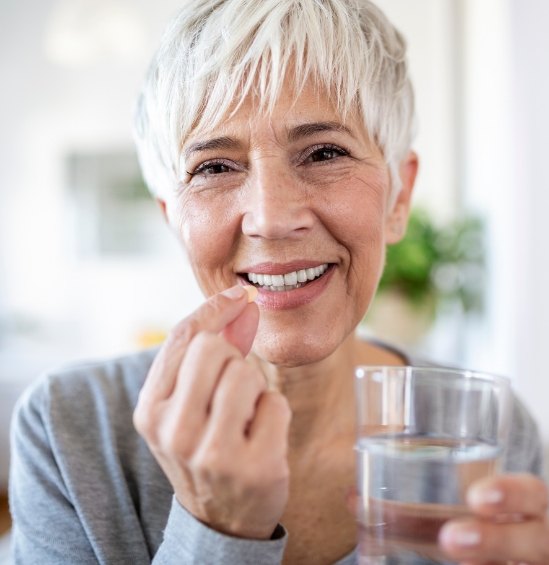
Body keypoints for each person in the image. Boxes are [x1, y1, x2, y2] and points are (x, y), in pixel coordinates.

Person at [9, 0, 548, 563]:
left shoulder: (487, 432)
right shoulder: (68, 429)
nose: (269, 216)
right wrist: (217, 529)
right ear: (174, 217)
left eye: (324, 152)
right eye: (214, 167)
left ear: (399, 196)